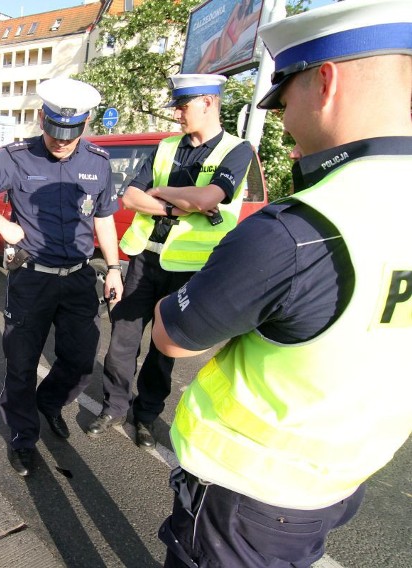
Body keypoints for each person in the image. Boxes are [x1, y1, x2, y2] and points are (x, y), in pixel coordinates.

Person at [151, 1, 412, 566]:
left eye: (284, 99)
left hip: (247, 495)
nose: (286, 123)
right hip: (342, 479)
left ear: (326, 80)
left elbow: (173, 335)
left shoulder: (298, 230)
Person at [0, 77, 124, 477]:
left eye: (71, 132)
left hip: (80, 278)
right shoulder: (15, 157)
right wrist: (2, 225)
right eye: (54, 130)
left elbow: (105, 218)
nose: (61, 141)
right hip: (32, 278)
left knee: (80, 362)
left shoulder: (97, 162)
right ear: (41, 118)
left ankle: (50, 402)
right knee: (21, 364)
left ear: (85, 123)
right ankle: (23, 438)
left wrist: (113, 268)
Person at [85, 74, 253, 447]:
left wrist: (159, 192)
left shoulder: (237, 150)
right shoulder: (165, 146)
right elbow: (129, 197)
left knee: (164, 349)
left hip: (190, 269)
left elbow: (210, 198)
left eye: (183, 105)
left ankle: (145, 416)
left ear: (208, 103)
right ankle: (114, 407)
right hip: (145, 259)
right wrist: (176, 205)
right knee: (123, 342)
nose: (177, 113)